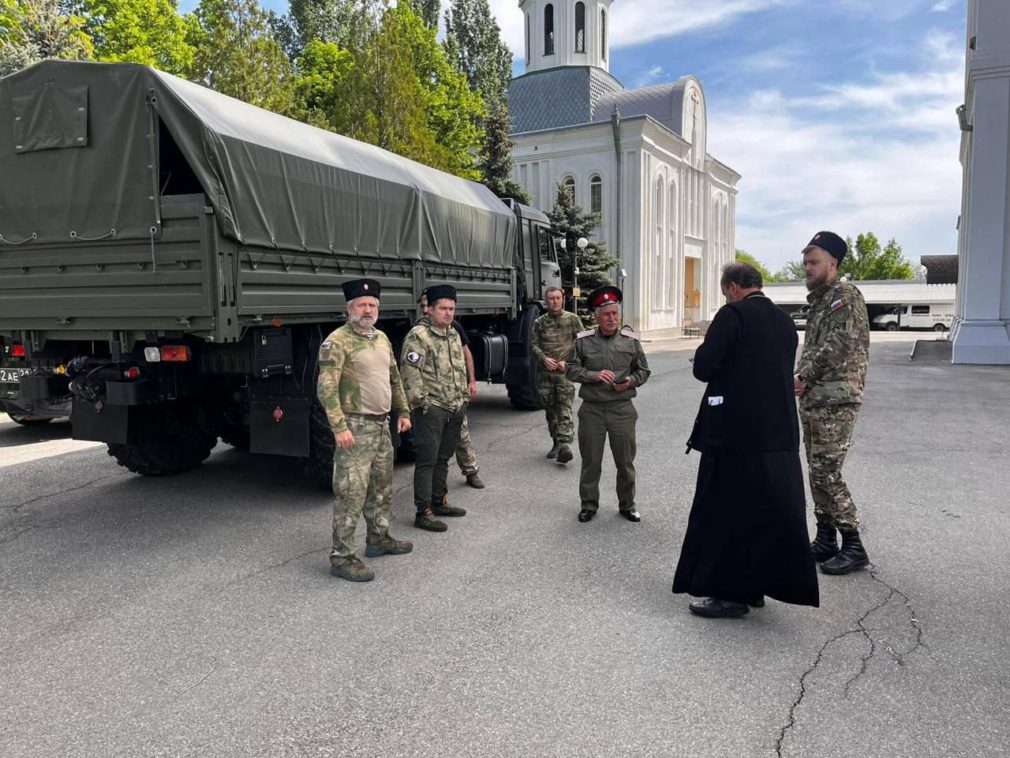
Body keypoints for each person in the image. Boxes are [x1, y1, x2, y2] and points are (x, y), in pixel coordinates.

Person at [672, 262, 819, 617]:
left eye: (725, 291)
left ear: (734, 287)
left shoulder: (732, 315)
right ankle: (755, 588)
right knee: (764, 511)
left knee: (726, 512)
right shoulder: (785, 323)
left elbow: (705, 367)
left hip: (734, 435)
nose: (726, 296)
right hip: (778, 433)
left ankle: (730, 594)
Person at [317, 278, 414, 582]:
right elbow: (326, 389)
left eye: (372, 305)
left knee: (381, 487)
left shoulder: (381, 338)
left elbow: (394, 377)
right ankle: (342, 557)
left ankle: (378, 538)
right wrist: (339, 427)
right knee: (351, 493)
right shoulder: (337, 341)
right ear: (350, 308)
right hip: (354, 427)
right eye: (362, 305)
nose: (368, 309)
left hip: (382, 424)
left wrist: (403, 411)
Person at [795, 231, 871, 575]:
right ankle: (826, 538)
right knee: (816, 471)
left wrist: (804, 375)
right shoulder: (821, 301)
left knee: (827, 470)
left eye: (814, 262)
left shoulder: (844, 296)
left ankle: (853, 544)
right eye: (806, 263)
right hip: (817, 399)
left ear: (833, 264)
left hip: (836, 399)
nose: (808, 268)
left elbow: (839, 343)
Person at [566, 285, 650, 523]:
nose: (612, 318)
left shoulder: (630, 340)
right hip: (592, 410)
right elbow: (570, 370)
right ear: (596, 317)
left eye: (615, 313)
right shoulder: (583, 341)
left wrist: (630, 381)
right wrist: (593, 375)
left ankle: (627, 504)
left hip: (622, 410)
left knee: (625, 462)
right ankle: (589, 505)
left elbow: (643, 370)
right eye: (606, 315)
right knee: (591, 461)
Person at [400, 285, 469, 532]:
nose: (448, 313)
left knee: (444, 458)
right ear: (429, 309)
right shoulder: (419, 336)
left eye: (451, 308)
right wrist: (422, 404)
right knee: (427, 460)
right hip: (432, 409)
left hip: (454, 406)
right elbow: (410, 373)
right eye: (443, 308)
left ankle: (439, 501)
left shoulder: (453, 334)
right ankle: (423, 511)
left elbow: (459, 367)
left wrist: (462, 399)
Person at [417, 291, 483, 489]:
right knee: (433, 449)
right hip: (435, 401)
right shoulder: (419, 333)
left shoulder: (454, 329)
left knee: (461, 434)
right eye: (423, 305)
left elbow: (466, 354)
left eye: (450, 309)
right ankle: (432, 495)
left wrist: (472, 380)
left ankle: (471, 471)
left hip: (455, 396)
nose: (425, 309)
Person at [532, 286, 583, 463]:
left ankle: (565, 445)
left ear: (562, 299)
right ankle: (556, 442)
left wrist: (567, 362)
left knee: (564, 409)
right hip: (545, 374)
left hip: (564, 373)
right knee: (550, 411)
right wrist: (543, 358)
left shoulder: (573, 319)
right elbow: (533, 345)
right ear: (546, 301)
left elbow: (582, 343)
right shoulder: (539, 322)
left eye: (558, 298)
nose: (555, 301)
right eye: (551, 298)